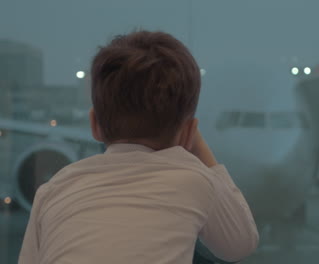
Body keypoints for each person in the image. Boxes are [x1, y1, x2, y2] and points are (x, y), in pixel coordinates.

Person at [18, 30, 259, 264]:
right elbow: (240, 245)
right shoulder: (194, 178)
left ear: (94, 124)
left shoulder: (52, 191)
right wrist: (205, 156)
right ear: (189, 132)